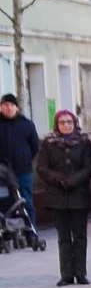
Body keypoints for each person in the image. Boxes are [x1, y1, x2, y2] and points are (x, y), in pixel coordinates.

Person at [35, 110, 91, 286]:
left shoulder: (84, 142)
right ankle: (66, 274)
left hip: (79, 194)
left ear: (75, 123)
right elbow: (42, 168)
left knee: (80, 236)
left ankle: (81, 272)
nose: (66, 125)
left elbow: (89, 167)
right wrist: (59, 180)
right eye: (62, 122)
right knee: (64, 237)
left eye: (69, 122)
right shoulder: (47, 143)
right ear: (56, 124)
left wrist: (73, 181)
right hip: (57, 195)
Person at [0, 93, 41, 231]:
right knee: (4, 201)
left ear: (16, 107)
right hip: (2, 172)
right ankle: (6, 232)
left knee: (26, 201)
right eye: (5, 105)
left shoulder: (26, 124)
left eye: (12, 105)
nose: (9, 108)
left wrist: (25, 158)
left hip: (23, 170)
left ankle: (30, 231)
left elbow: (35, 146)